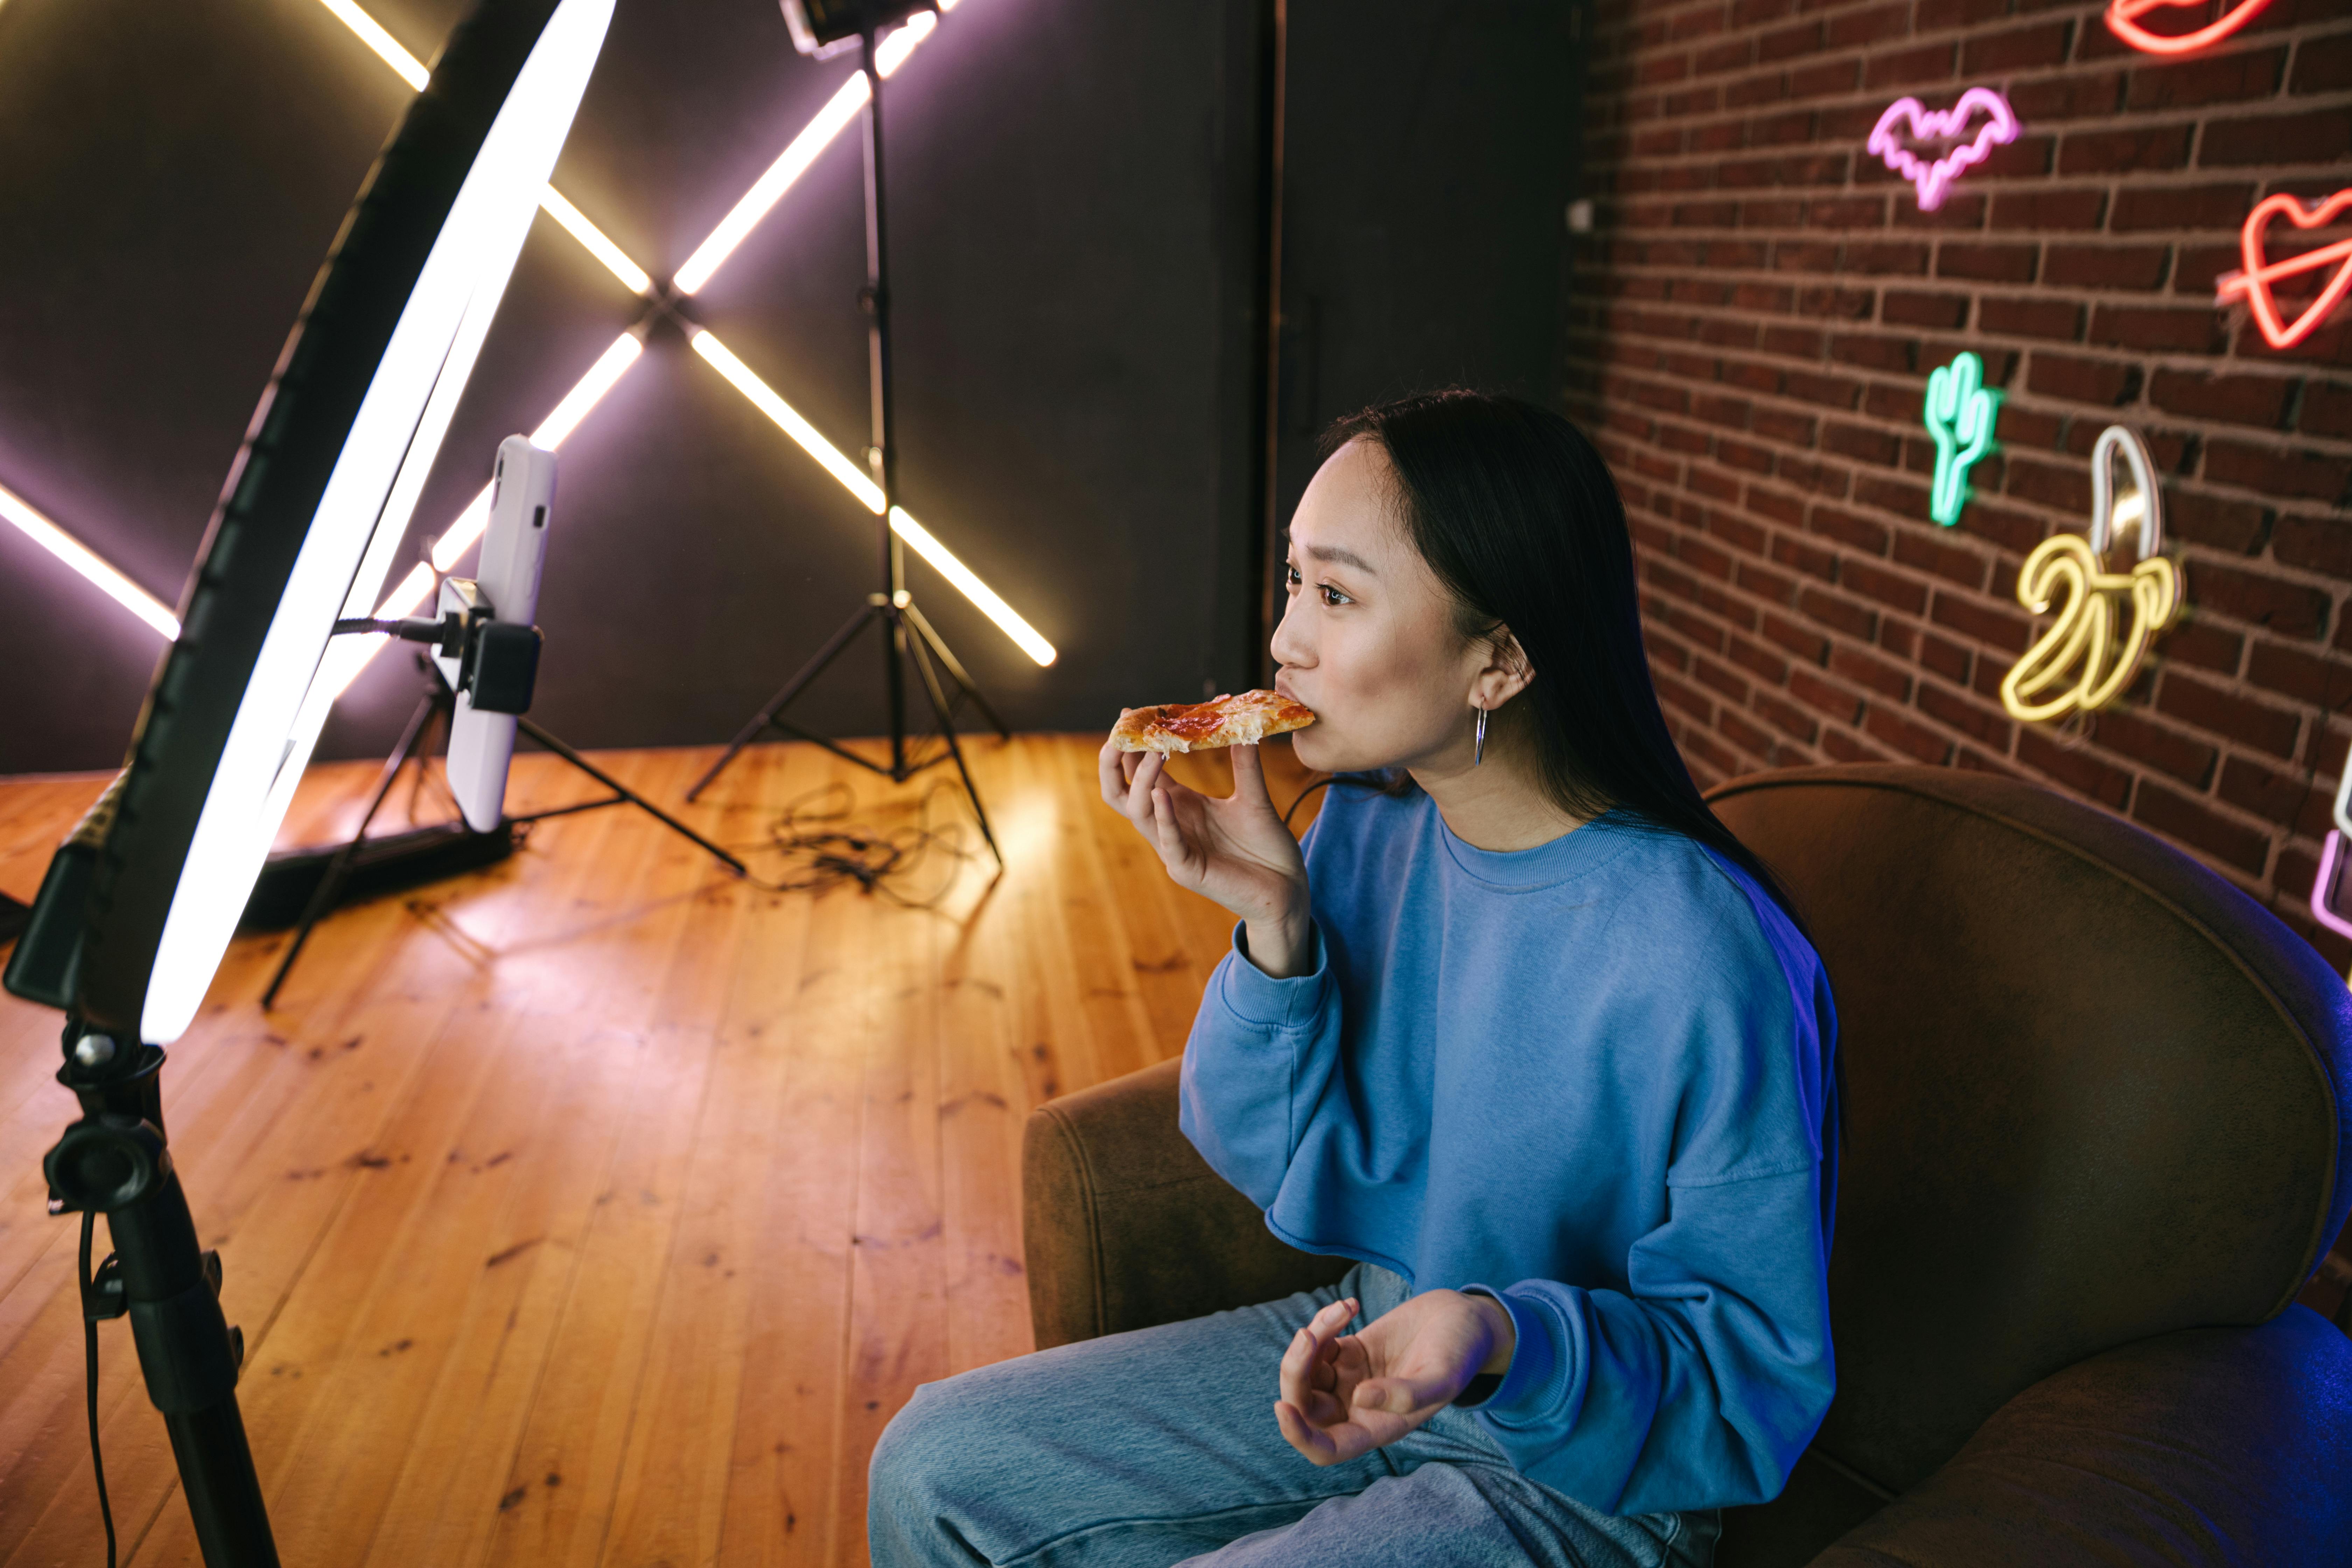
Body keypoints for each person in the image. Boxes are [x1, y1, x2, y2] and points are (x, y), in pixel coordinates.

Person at [868, 391, 1840, 1568]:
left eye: (1335, 595)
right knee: (933, 1465)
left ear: (1501, 661)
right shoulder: (1367, 831)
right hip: (1358, 1351)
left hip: (1581, 1473)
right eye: (1292, 583)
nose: (1284, 639)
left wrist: (1497, 1335)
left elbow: (1750, 1375)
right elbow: (1256, 1158)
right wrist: (1276, 920)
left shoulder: (1701, 953)